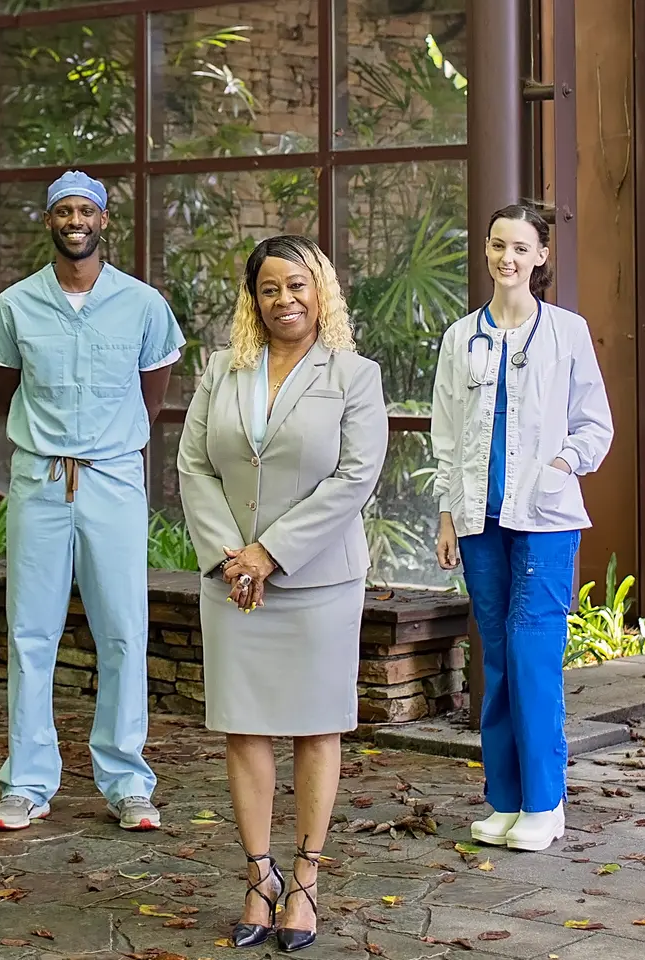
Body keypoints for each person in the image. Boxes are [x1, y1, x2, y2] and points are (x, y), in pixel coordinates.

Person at [178, 234, 387, 952]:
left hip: (318, 579)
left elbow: (356, 476)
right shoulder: (222, 369)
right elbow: (193, 465)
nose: (284, 300)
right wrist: (233, 559)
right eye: (270, 288)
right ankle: (259, 875)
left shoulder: (354, 376)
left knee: (315, 726)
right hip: (234, 582)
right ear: (253, 298)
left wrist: (272, 553)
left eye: (297, 286)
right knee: (244, 726)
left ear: (319, 290)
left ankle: (305, 881)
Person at [0, 171, 184, 834]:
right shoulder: (14, 305)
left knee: (123, 629)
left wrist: (109, 442)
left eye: (85, 210)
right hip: (39, 481)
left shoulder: (143, 304)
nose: (75, 220)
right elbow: (7, 382)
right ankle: (27, 782)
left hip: (114, 479)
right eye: (63, 210)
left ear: (103, 220)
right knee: (31, 632)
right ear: (49, 222)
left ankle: (127, 781)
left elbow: (152, 392)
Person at [431, 203, 614, 853]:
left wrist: (564, 462)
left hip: (545, 520)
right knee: (499, 661)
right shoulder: (461, 338)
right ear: (486, 251)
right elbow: (447, 435)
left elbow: (595, 423)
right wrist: (450, 515)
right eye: (496, 244)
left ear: (540, 258)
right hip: (480, 520)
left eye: (521, 247)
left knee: (533, 657)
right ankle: (504, 802)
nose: (507, 257)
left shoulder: (567, 332)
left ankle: (546, 802)